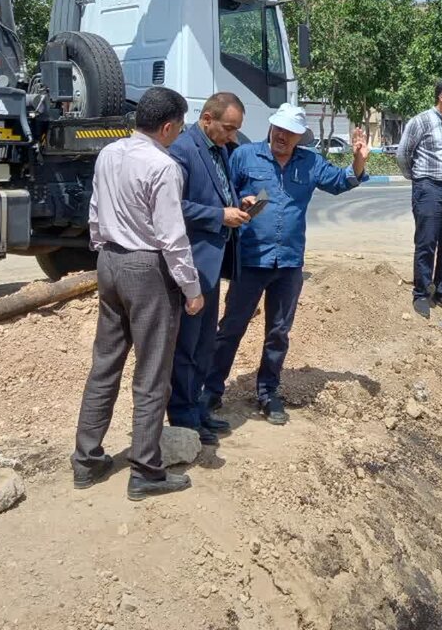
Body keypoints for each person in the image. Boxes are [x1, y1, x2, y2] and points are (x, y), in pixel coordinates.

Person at [72, 86, 203, 500]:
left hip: (109, 262)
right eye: (179, 128)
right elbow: (172, 237)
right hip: (147, 268)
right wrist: (191, 287)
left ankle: (86, 460)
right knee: (152, 375)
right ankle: (146, 469)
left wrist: (105, 249)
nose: (180, 135)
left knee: (105, 364)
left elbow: (95, 211)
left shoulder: (109, 154)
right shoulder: (163, 167)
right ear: (167, 127)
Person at [204, 103, 369, 426]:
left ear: (299, 137)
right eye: (278, 129)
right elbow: (226, 191)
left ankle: (268, 392)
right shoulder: (245, 156)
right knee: (231, 327)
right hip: (251, 258)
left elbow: (340, 182)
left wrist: (359, 159)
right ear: (271, 128)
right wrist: (238, 202)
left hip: (289, 262)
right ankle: (211, 389)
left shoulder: (310, 163)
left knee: (278, 332)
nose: (282, 136)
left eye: (289, 133)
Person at [166, 92, 252, 446]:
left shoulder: (218, 150)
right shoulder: (182, 151)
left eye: (235, 131)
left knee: (203, 343)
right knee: (186, 345)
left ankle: (198, 408)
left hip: (212, 264)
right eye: (228, 129)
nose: (232, 137)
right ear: (206, 120)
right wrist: (220, 215)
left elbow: (215, 193)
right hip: (192, 263)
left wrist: (237, 203)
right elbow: (173, 206)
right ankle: (183, 417)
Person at [396, 78, 442, 321]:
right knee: (426, 243)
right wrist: (417, 180)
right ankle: (421, 293)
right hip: (429, 189)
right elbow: (403, 154)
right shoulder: (420, 121)